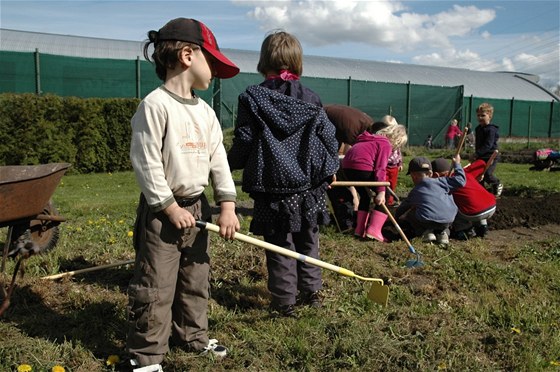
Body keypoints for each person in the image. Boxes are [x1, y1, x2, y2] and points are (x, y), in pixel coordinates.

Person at [126, 18, 240, 371]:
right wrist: (169, 206)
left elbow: (218, 161)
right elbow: (146, 163)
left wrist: (227, 205)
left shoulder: (206, 112)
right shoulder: (155, 106)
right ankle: (145, 357)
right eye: (213, 63)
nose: (216, 73)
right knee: (155, 285)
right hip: (163, 214)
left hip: (198, 209)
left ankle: (192, 336)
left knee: (196, 279)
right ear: (188, 55)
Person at [227, 30, 339, 317]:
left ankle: (284, 302)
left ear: (264, 59)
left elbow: (245, 138)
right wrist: (330, 170)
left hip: (272, 186)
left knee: (279, 244)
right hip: (308, 186)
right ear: (297, 61)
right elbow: (328, 136)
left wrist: (227, 165)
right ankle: (311, 292)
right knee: (307, 238)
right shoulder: (311, 98)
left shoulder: (252, 97)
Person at [342, 121, 408, 241]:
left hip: (347, 168)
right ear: (397, 140)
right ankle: (374, 230)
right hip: (362, 167)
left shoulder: (367, 138)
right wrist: (381, 191)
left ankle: (359, 229)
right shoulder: (385, 144)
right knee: (386, 195)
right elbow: (380, 168)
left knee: (365, 195)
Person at [395, 155, 466, 245]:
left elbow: (403, 208)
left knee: (411, 214)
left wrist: (398, 216)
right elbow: (461, 180)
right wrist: (457, 164)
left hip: (427, 221)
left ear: (413, 176)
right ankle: (443, 234)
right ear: (431, 173)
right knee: (442, 214)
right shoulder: (443, 181)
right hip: (448, 220)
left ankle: (425, 233)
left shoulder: (415, 191)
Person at [431, 158, 496, 239]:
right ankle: (483, 226)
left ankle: (464, 230)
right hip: (492, 206)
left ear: (436, 175)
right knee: (475, 199)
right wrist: (479, 174)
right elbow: (481, 164)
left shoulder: (443, 184)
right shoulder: (464, 173)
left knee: (452, 207)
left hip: (473, 213)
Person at [471, 103, 503, 196]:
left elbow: (488, 145)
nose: (480, 117)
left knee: (488, 175)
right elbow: (478, 144)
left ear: (490, 116)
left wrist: (476, 154)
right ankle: (481, 193)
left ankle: (497, 184)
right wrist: (476, 156)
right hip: (481, 156)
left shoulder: (491, 130)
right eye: (478, 115)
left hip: (491, 156)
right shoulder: (478, 129)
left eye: (483, 115)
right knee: (477, 175)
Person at [380, 115, 405, 206]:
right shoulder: (382, 138)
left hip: (394, 167)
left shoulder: (396, 139)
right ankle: (384, 199)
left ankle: (390, 200)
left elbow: (398, 152)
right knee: (384, 184)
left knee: (392, 184)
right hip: (385, 166)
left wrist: (400, 163)